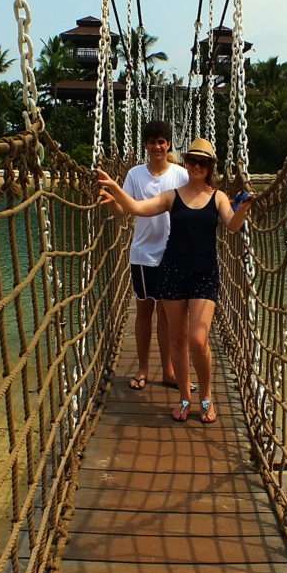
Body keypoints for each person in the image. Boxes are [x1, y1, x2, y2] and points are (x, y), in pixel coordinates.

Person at [97, 138, 254, 424]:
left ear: (209, 167)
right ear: (186, 163)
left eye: (202, 162)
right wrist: (116, 189)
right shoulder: (172, 196)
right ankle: (185, 397)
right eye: (192, 161)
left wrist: (243, 208)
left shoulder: (217, 196)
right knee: (177, 340)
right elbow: (135, 208)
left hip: (204, 273)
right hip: (172, 271)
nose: (196, 166)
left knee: (197, 338)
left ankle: (206, 396)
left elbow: (232, 225)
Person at [107, 120, 188, 391]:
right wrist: (112, 206)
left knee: (166, 314)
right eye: (152, 141)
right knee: (144, 312)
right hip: (143, 255)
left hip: (172, 254)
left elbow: (195, 204)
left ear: (169, 145)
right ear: (146, 145)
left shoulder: (181, 175)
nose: (157, 146)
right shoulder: (134, 174)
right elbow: (123, 209)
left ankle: (168, 371)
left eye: (162, 141)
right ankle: (142, 369)